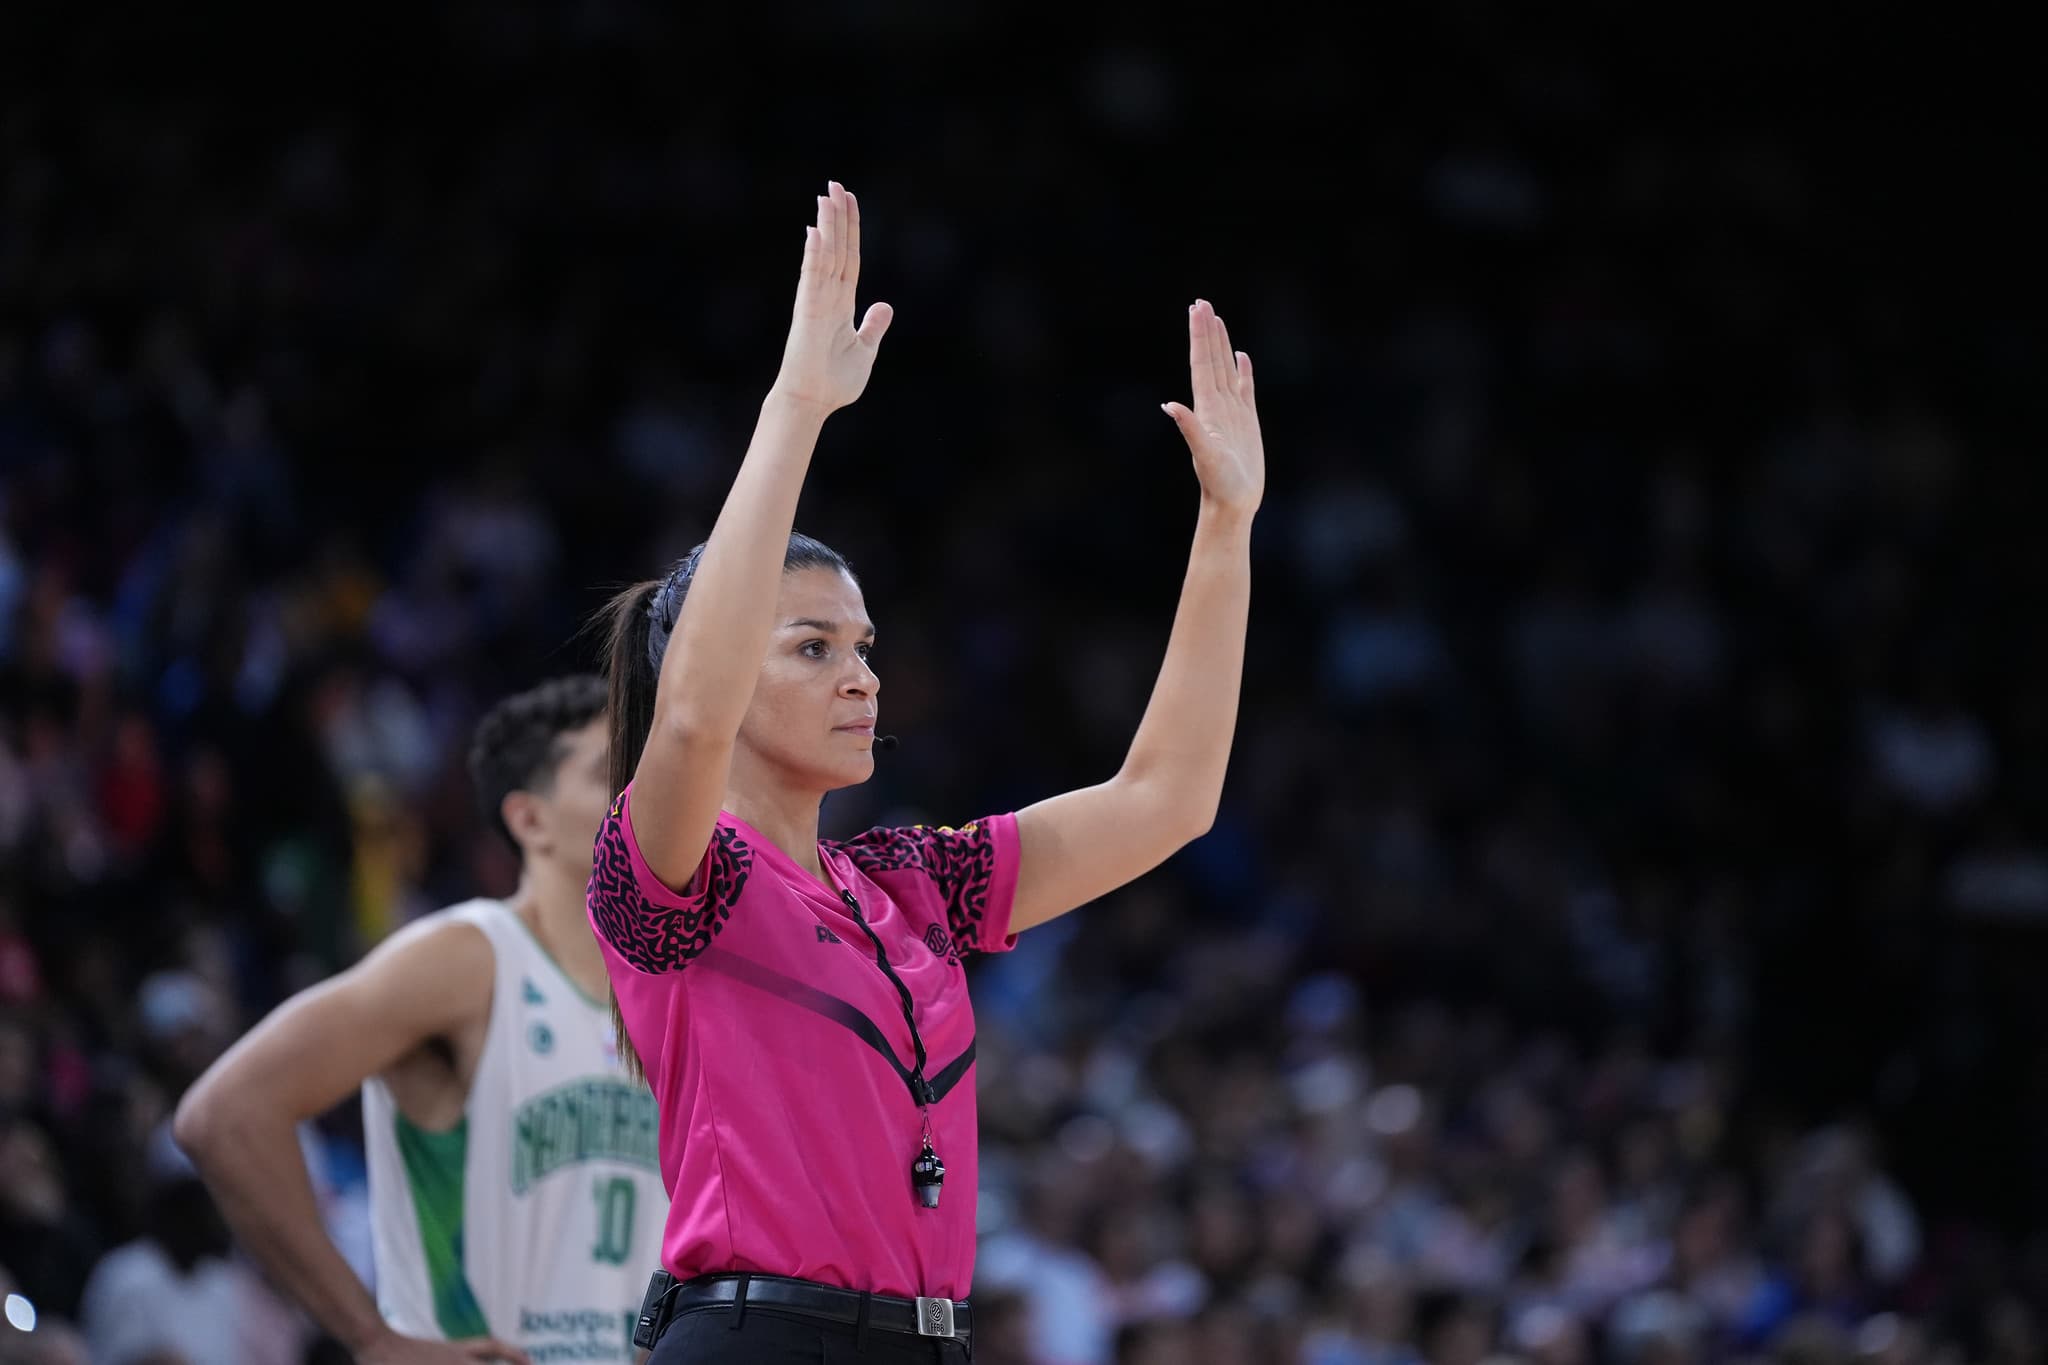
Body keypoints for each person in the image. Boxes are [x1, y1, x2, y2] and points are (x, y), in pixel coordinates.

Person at [586, 181, 1264, 1362]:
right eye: (811, 648)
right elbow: (688, 719)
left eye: (862, 648)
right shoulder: (668, 878)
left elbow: (1169, 798)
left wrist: (1225, 527)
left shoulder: (909, 886)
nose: (862, 679)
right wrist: (797, 407)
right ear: (726, 665)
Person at [175, 676, 666, 1365]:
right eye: (607, 774)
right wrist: (368, 1335)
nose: (641, 792)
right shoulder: (471, 957)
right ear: (529, 819)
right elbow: (224, 1114)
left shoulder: (669, 994)